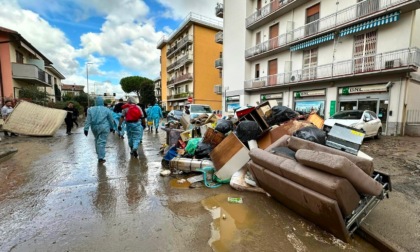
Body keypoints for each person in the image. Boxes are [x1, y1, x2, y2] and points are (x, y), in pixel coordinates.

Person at [84, 97, 114, 163]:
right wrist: (112, 127)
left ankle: (98, 153)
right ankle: (100, 157)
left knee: (97, 139)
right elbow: (110, 119)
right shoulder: (106, 109)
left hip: (94, 127)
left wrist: (86, 129)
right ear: (102, 102)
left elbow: (88, 120)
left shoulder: (90, 109)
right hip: (104, 127)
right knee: (102, 141)